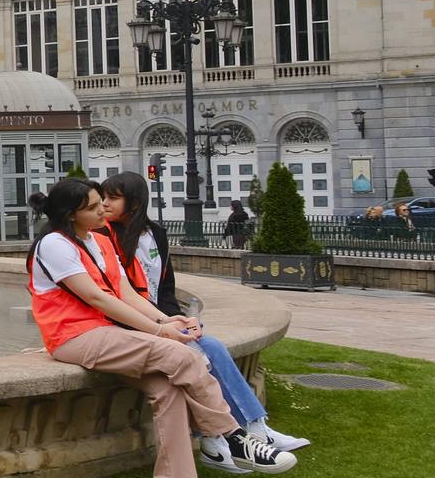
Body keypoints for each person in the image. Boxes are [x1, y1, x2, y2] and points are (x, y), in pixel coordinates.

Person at [27, 177, 293, 478]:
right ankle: (231, 435)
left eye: (101, 203)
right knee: (182, 355)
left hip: (107, 334)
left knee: (168, 387)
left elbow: (125, 293)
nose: (101, 210)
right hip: (74, 337)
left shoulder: (100, 239)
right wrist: (158, 332)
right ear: (69, 214)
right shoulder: (54, 244)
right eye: (92, 207)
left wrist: (165, 322)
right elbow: (95, 297)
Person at [98, 172, 309, 463]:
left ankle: (256, 427)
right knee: (197, 354)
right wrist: (166, 325)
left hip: (160, 317)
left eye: (113, 197)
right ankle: (219, 436)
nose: (104, 203)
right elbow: (118, 295)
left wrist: (181, 318)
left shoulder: (155, 233)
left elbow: (166, 288)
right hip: (135, 324)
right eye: (103, 197)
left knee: (211, 346)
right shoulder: (104, 236)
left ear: (134, 202)